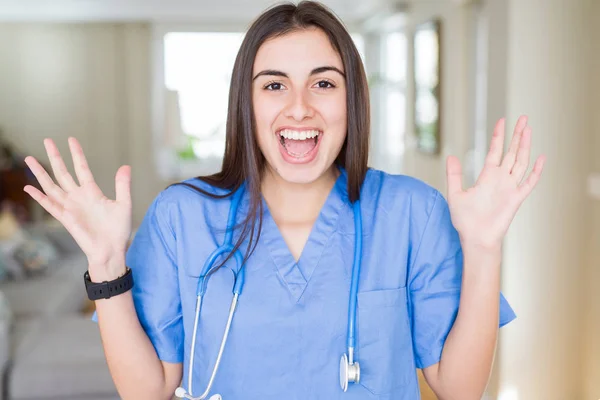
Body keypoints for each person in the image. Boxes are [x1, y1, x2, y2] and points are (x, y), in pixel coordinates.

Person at [22, 1, 545, 399]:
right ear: (245, 104)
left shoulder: (412, 212)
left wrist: (483, 249)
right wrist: (107, 264)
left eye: (323, 83)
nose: (299, 108)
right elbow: (150, 387)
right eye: (274, 86)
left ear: (352, 99)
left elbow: (458, 387)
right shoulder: (182, 215)